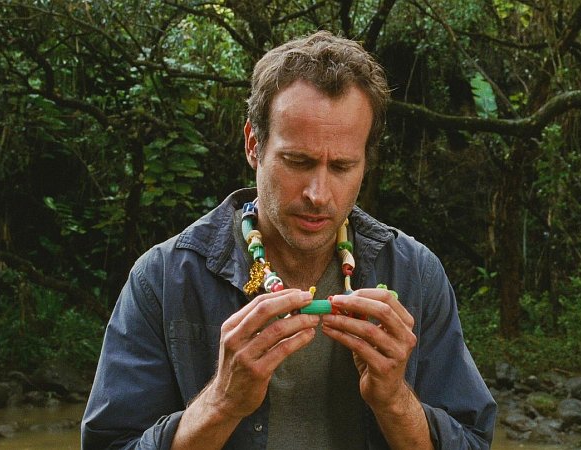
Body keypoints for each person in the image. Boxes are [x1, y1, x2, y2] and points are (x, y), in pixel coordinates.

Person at [81, 30, 496, 450]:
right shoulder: (163, 279)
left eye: (342, 167)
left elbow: (474, 441)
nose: (318, 194)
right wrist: (222, 403)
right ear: (253, 145)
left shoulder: (416, 275)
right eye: (298, 161)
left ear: (366, 163)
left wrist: (394, 402)